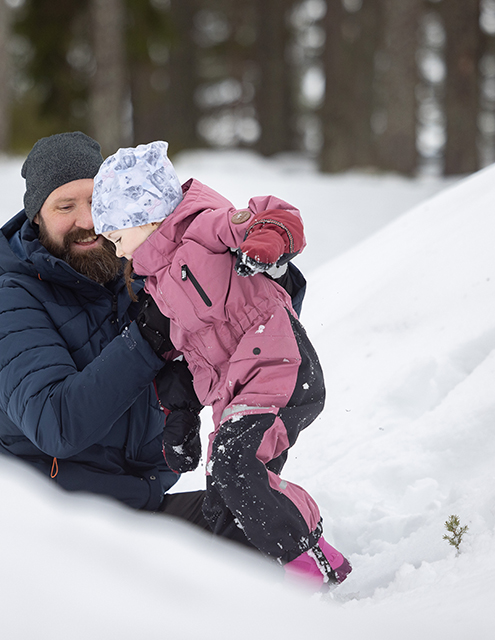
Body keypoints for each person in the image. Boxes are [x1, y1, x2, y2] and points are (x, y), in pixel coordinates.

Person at [0, 131, 304, 548]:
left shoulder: (147, 276)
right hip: (45, 530)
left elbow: (238, 333)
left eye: (96, 202)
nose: (88, 221)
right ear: (36, 217)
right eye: (65, 206)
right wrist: (146, 338)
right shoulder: (11, 305)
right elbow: (57, 424)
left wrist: (269, 275)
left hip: (138, 517)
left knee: (268, 524)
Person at [90, 140, 351, 589]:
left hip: (281, 365)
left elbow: (275, 214)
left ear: (146, 216)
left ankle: (311, 559)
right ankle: (244, 589)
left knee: (234, 467)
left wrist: (266, 243)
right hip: (237, 393)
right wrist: (180, 421)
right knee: (223, 498)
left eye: (117, 237)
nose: (117, 254)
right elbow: (186, 362)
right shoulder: (159, 287)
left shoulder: (202, 229)